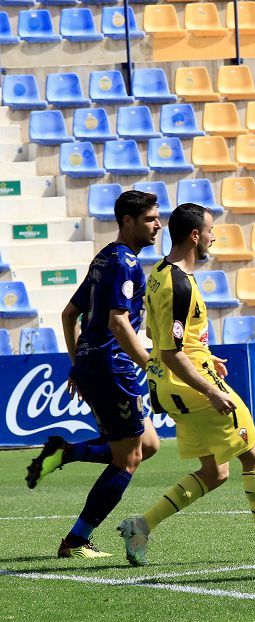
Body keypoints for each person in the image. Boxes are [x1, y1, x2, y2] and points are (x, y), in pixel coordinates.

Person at [117, 203, 255, 565]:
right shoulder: (179, 284)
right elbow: (174, 352)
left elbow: (158, 335)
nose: (213, 236)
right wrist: (212, 390)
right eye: (210, 230)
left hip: (168, 385)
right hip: (192, 385)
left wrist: (205, 354)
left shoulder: (157, 273)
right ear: (195, 236)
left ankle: (141, 525)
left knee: (215, 471)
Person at [25, 190, 162, 559]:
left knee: (148, 445)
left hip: (97, 365)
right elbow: (119, 322)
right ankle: (75, 540)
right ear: (127, 221)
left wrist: (80, 362)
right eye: (151, 219)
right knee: (128, 458)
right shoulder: (125, 263)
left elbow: (69, 314)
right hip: (113, 369)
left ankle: (66, 452)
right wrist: (151, 364)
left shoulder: (105, 259)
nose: (158, 225)